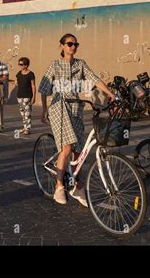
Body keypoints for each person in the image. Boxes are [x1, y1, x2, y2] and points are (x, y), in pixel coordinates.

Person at [38, 33, 116, 206]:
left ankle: (77, 186)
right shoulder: (55, 65)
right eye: (69, 44)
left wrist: (111, 94)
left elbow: (94, 79)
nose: (73, 47)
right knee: (66, 147)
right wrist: (44, 109)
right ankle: (59, 186)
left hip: (76, 108)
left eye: (75, 44)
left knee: (79, 150)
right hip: (59, 107)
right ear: (62, 46)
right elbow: (44, 88)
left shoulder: (81, 64)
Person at [15, 57, 36, 135]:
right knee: (22, 113)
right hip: (19, 95)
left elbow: (33, 85)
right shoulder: (18, 74)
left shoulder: (31, 74)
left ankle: (28, 128)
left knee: (27, 113)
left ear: (26, 65)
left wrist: (34, 97)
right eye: (19, 64)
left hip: (27, 96)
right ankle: (24, 127)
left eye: (21, 64)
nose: (19, 65)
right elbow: (18, 83)